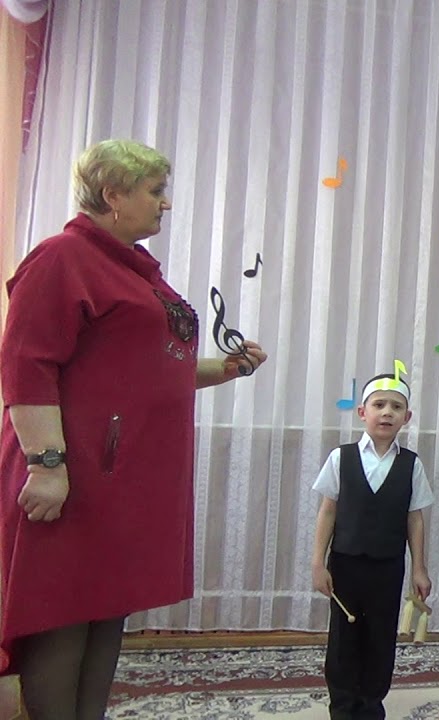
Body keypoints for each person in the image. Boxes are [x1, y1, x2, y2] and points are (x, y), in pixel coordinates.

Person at [0, 139, 268, 719]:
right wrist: (47, 465)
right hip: (75, 476)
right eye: (155, 191)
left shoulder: (130, 270)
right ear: (113, 195)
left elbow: (151, 370)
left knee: (105, 614)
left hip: (121, 482)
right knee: (62, 614)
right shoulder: (61, 258)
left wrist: (226, 368)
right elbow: (25, 366)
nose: (165, 203)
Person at [311, 371, 432, 719]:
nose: (387, 412)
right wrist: (318, 562)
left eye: (396, 407)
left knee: (380, 638)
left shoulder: (411, 464)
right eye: (379, 405)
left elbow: (415, 518)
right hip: (345, 564)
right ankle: (342, 707)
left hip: (388, 567)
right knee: (343, 639)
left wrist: (419, 568)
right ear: (363, 412)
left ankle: (370, 706)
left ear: (406, 417)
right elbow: (328, 511)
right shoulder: (341, 457)